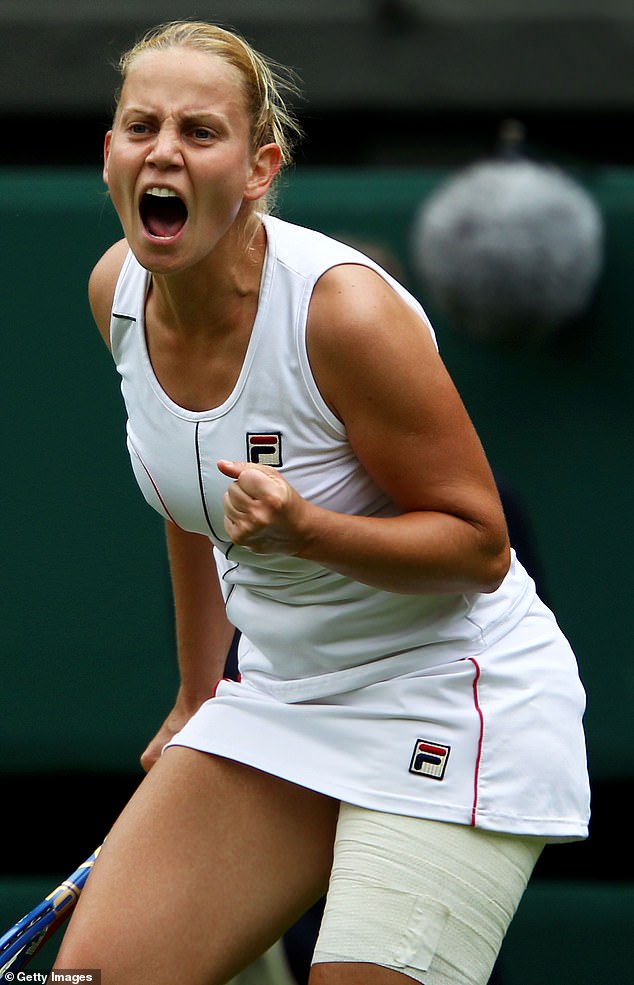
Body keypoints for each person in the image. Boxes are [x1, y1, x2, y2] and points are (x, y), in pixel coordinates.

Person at [54, 20, 590, 985]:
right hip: (284, 696)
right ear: (109, 156)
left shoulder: (341, 312)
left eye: (199, 131)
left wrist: (309, 530)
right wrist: (198, 691)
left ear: (259, 168)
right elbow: (188, 501)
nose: (163, 149)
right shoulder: (117, 296)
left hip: (450, 693)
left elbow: (480, 545)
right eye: (140, 126)